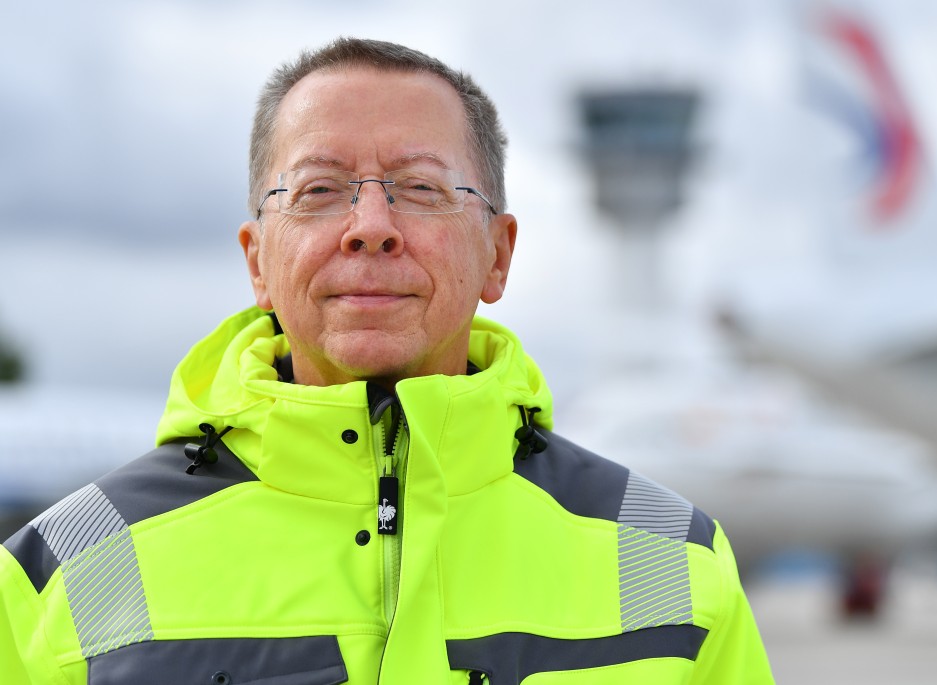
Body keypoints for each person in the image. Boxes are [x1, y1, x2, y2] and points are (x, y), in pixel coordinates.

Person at [0, 38, 773, 683]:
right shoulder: (59, 574)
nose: (371, 226)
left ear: (497, 256)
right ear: (258, 261)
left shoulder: (675, 561)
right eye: (319, 189)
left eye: (420, 187)